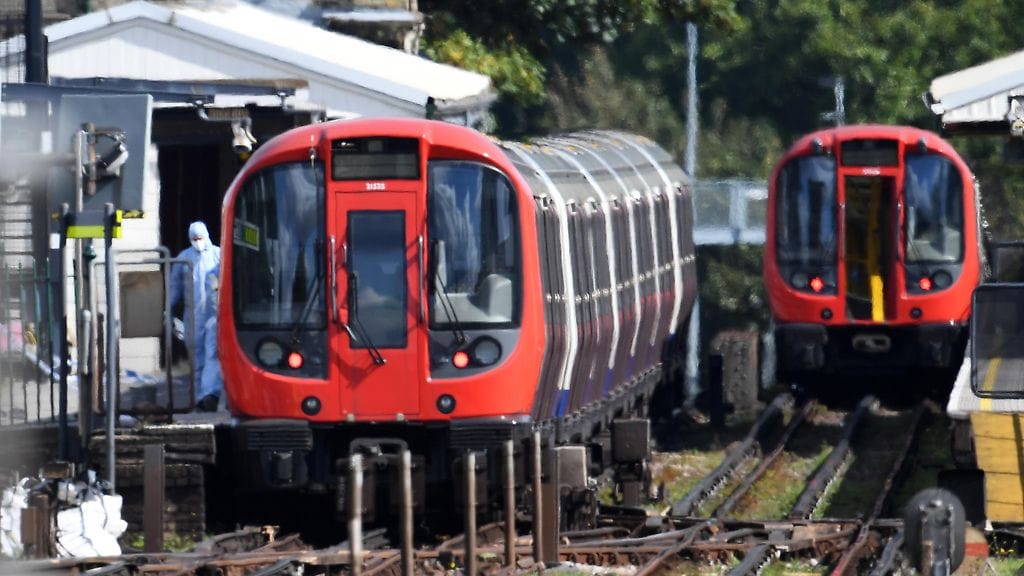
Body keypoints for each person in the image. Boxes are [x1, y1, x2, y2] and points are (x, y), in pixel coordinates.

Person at [169, 221, 222, 411]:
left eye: (200, 238)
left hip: (214, 315)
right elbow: (174, 287)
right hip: (192, 317)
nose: (198, 242)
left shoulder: (218, 255)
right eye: (195, 239)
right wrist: (168, 309)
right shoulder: (184, 259)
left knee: (212, 354)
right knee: (196, 358)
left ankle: (210, 393)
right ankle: (200, 397)